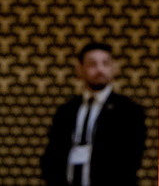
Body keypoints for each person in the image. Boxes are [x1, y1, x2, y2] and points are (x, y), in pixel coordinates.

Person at [41, 42, 145, 186]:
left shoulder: (128, 110)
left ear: (113, 68)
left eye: (105, 63)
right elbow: (53, 155)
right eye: (92, 64)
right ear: (80, 69)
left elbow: (131, 159)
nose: (100, 69)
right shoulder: (66, 110)